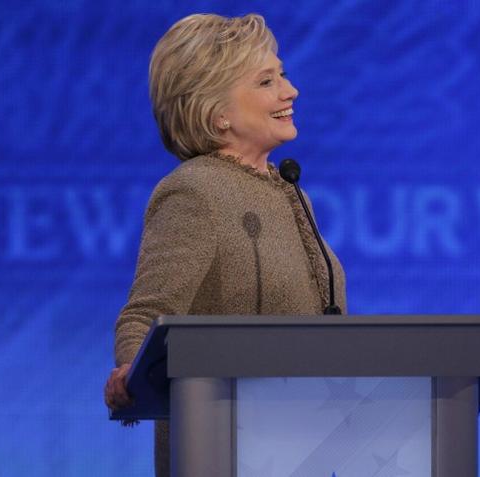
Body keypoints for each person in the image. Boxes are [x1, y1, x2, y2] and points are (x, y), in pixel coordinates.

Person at [104, 13, 347, 477]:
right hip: (223, 447)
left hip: (303, 446)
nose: (290, 90)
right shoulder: (195, 192)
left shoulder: (291, 192)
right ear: (217, 111)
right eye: (266, 81)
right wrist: (131, 371)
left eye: (284, 74)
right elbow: (144, 313)